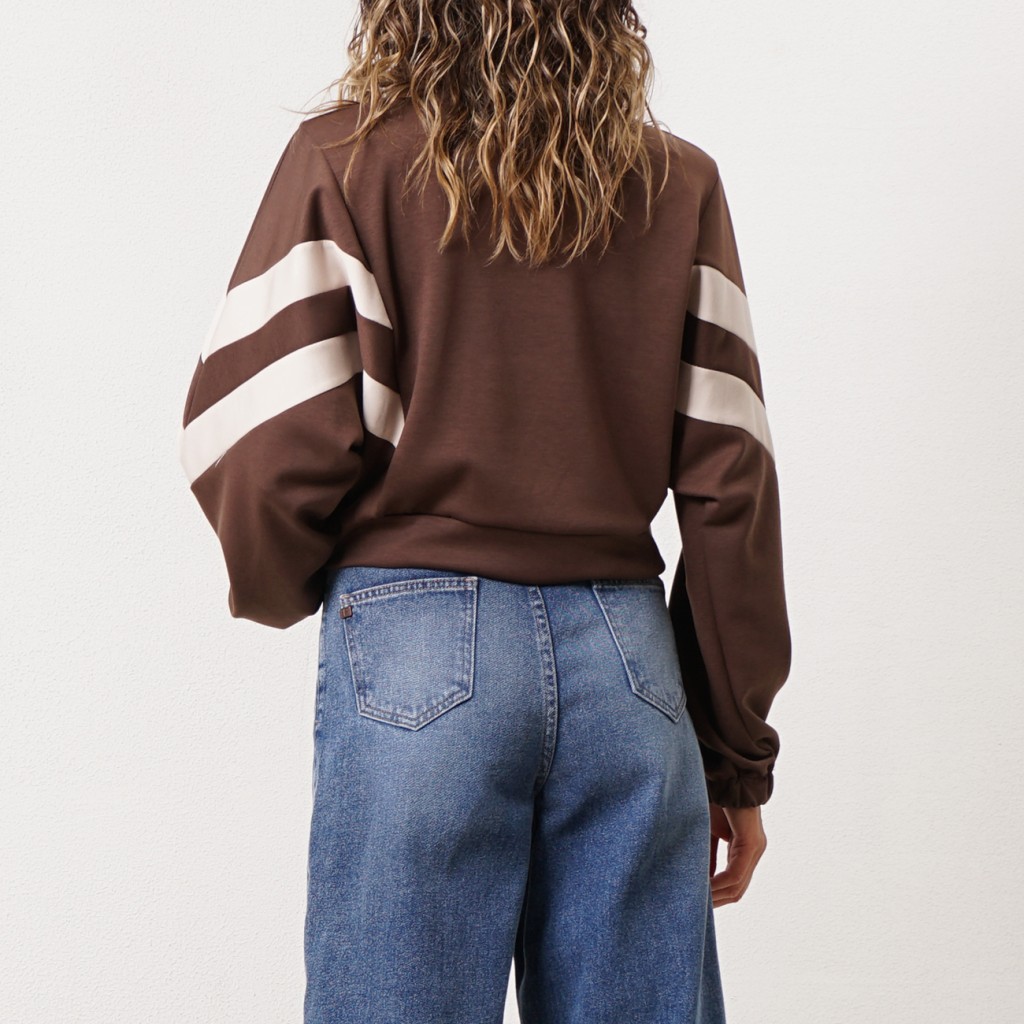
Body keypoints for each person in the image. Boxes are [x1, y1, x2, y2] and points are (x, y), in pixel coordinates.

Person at [176, 1, 792, 1020]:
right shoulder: (677, 183)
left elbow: (257, 438)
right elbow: (731, 485)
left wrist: (289, 579)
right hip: (629, 670)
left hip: (414, 653)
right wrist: (733, 754)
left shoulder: (345, 161)